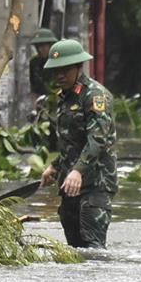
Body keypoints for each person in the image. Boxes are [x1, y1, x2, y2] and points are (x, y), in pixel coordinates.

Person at [39, 39, 117, 248]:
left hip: (96, 184)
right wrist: (55, 166)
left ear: (78, 67)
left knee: (93, 249)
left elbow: (97, 139)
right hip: (71, 184)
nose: (59, 76)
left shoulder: (95, 96)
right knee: (73, 249)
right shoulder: (66, 97)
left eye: (65, 70)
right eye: (56, 71)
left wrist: (78, 171)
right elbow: (73, 142)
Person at [28, 27, 58, 104]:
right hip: (41, 102)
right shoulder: (34, 63)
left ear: (51, 45)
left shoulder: (58, 62)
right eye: (37, 46)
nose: (40, 49)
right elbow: (34, 89)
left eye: (43, 46)